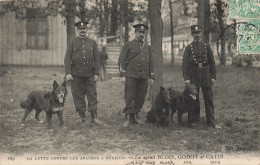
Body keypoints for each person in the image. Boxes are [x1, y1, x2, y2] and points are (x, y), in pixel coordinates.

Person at [182, 25, 220, 129]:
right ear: (192, 34)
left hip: (206, 75)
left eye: (198, 32)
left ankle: (211, 122)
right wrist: (186, 78)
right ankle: (194, 121)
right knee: (194, 99)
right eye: (195, 33)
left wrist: (213, 76)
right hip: (193, 75)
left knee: (208, 99)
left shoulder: (206, 46)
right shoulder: (188, 48)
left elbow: (212, 63)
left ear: (201, 33)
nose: (197, 35)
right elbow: (184, 65)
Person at [118, 23, 154, 127]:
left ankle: (136, 115)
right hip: (131, 75)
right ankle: (128, 117)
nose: (141, 34)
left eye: (143, 32)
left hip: (143, 76)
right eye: (139, 32)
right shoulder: (128, 45)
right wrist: (122, 75)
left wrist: (151, 76)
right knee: (129, 96)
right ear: (135, 32)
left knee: (141, 96)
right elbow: (122, 60)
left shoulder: (147, 47)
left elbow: (151, 62)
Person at [64, 21, 100, 123]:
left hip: (90, 74)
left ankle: (94, 117)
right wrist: (68, 73)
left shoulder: (92, 42)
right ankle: (81, 116)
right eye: (80, 29)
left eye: (84, 29)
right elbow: (67, 58)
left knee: (92, 94)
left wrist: (96, 73)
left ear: (87, 30)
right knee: (78, 94)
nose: (82, 30)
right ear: (77, 30)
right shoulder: (72, 42)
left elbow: (97, 59)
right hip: (76, 74)